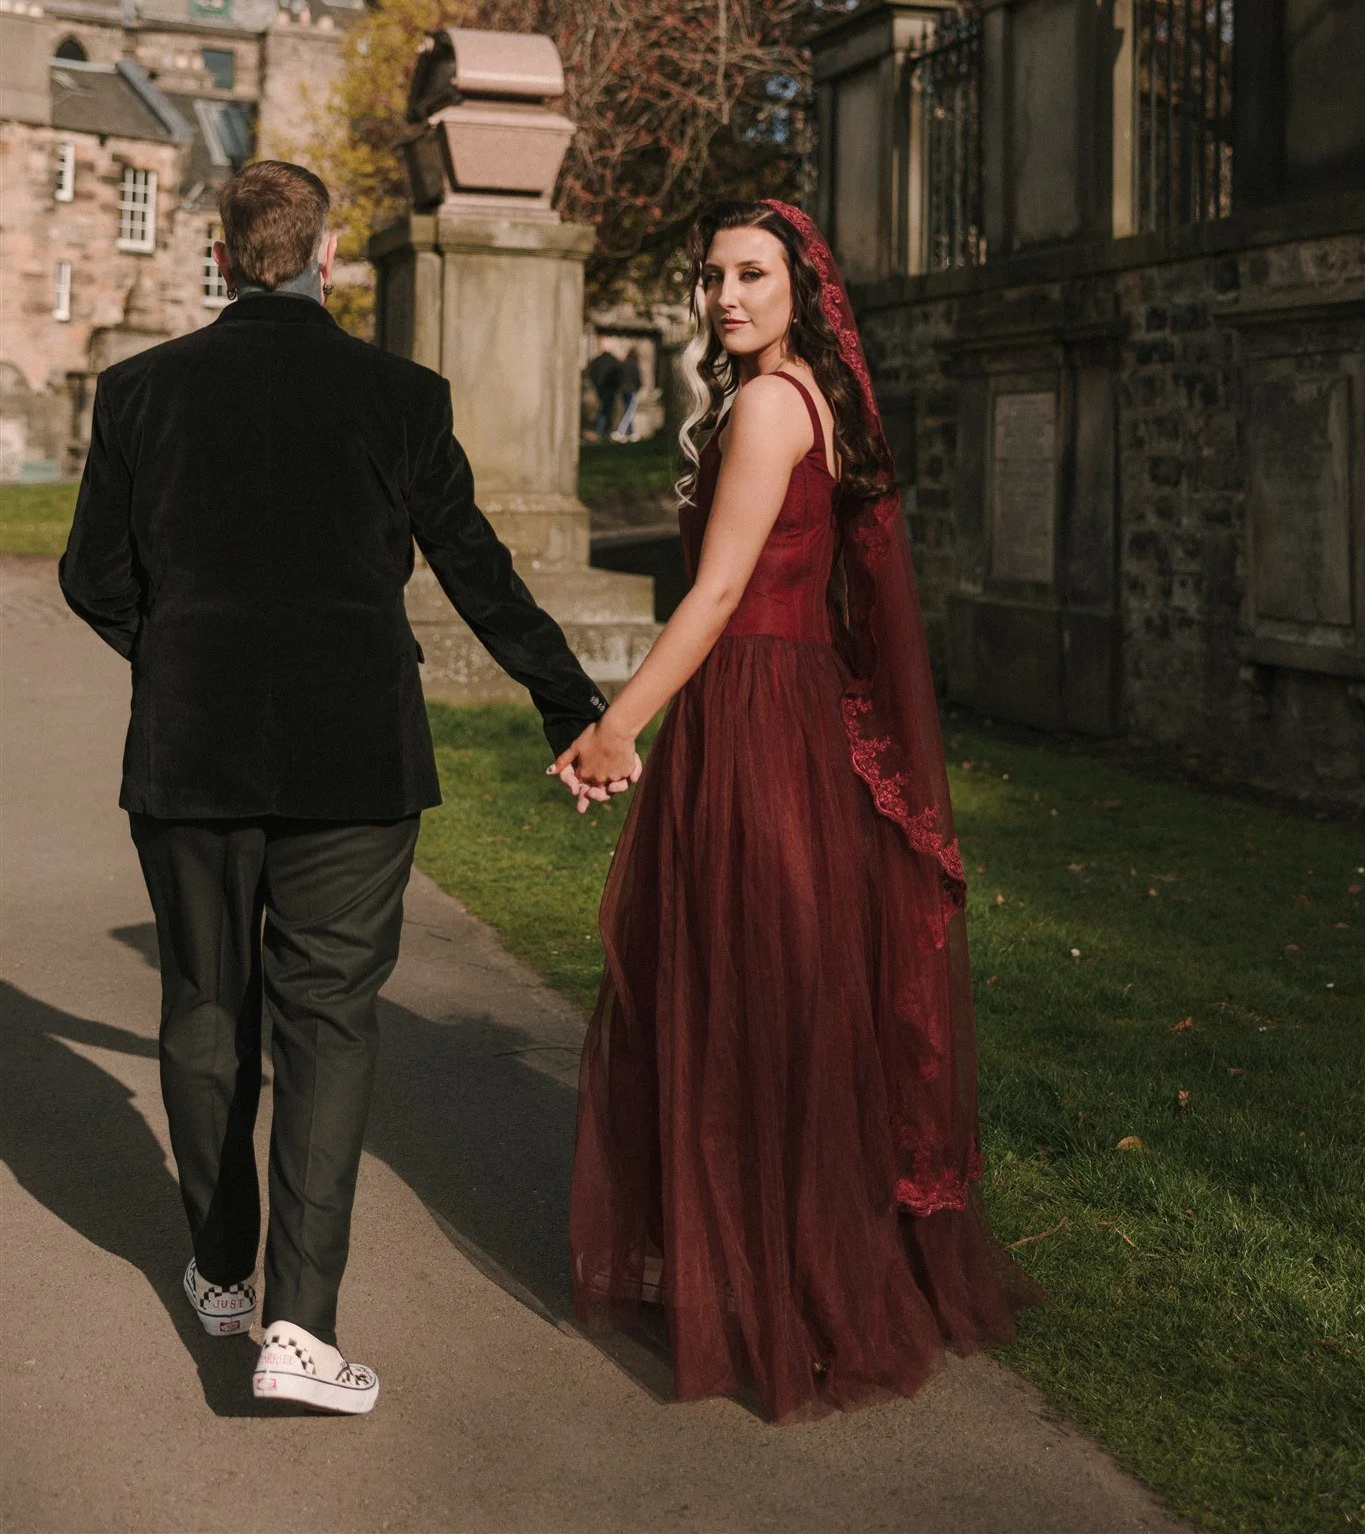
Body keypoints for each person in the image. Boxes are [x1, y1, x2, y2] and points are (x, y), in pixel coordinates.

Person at [58, 159, 637, 1416]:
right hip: (353, 759)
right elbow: (477, 568)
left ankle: (219, 1265)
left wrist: (180, 655)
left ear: (223, 255)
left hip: (191, 749)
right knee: (328, 1024)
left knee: (207, 1009)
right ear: (327, 259)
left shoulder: (139, 391)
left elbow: (91, 575)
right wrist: (569, 701)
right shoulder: (400, 395)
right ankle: (300, 1327)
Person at [553, 199, 1042, 1423]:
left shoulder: (773, 403)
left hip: (761, 709)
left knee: (755, 990)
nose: (726, 295)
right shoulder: (804, 389)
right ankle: (781, 1265)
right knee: (773, 988)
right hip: (780, 707)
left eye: (751, 273)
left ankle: (785, 1286)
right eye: (712, 274)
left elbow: (718, 590)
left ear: (800, 285)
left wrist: (621, 725)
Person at [586, 341, 624, 439]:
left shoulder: (597, 361)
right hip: (609, 388)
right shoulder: (614, 361)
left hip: (601, 388)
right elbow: (619, 375)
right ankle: (603, 431)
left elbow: (591, 373)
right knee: (606, 410)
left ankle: (602, 430)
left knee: (604, 409)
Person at [610, 345, 643, 443]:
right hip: (631, 390)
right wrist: (638, 387)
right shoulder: (634, 364)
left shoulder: (623, 364)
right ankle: (621, 432)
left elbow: (618, 377)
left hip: (623, 390)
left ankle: (631, 433)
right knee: (629, 412)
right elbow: (638, 379)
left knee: (627, 411)